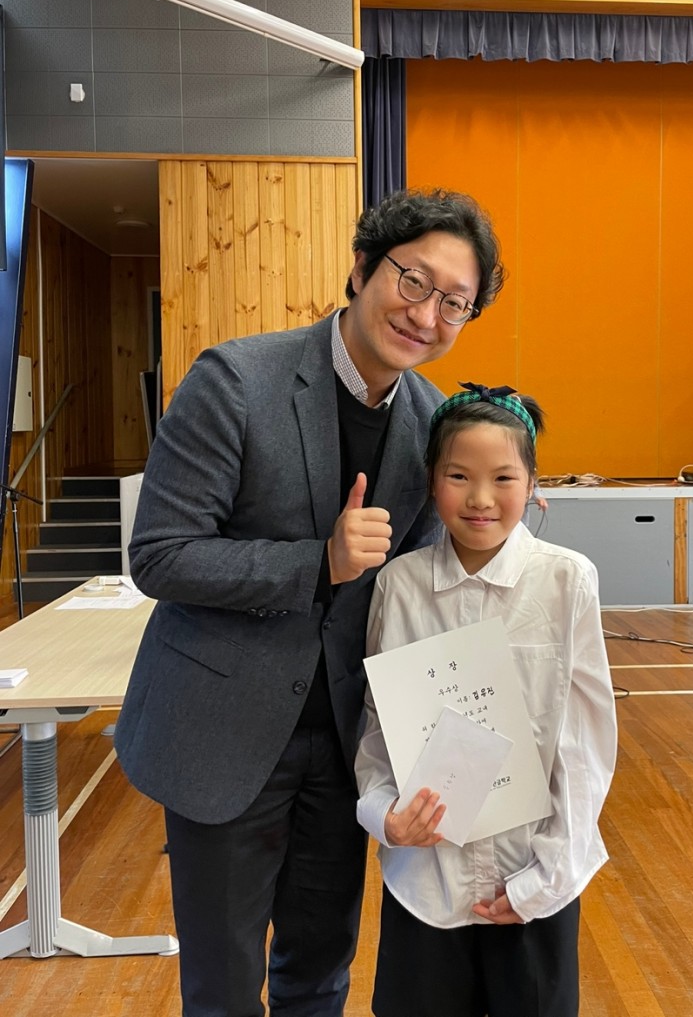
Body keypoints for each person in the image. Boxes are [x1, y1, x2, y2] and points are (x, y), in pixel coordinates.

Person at [113, 189, 505, 1017]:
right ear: (361, 268)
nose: (425, 314)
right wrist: (317, 561)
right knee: (222, 988)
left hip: (346, 745)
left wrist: (499, 516)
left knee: (320, 972)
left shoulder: (429, 422)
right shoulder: (235, 380)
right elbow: (160, 554)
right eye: (412, 280)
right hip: (223, 735)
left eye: (454, 302)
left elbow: (424, 579)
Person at [355, 383, 618, 1017]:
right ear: (431, 481)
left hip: (531, 876)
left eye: (503, 477)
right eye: (458, 476)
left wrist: (547, 878)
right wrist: (384, 813)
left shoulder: (566, 580)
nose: (480, 498)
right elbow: (377, 726)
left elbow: (583, 744)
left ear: (532, 483)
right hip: (426, 880)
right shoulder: (399, 584)